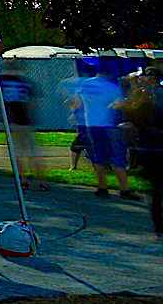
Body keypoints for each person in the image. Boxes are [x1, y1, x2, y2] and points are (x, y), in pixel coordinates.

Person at [67, 67, 135, 199]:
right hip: (110, 125)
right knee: (117, 157)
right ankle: (124, 189)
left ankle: (102, 187)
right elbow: (118, 104)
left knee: (98, 157)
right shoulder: (112, 87)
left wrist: (76, 114)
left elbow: (76, 103)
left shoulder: (86, 84)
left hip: (91, 125)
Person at [121, 66, 163, 236]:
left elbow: (131, 112)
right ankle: (158, 223)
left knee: (156, 191)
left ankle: (158, 224)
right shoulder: (146, 96)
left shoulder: (145, 97)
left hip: (150, 148)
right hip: (152, 148)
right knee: (157, 190)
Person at [0, 66, 49, 190]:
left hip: (11, 120)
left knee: (17, 152)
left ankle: (23, 180)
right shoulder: (26, 83)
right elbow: (35, 102)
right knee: (33, 151)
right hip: (25, 120)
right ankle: (41, 180)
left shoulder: (1, 82)